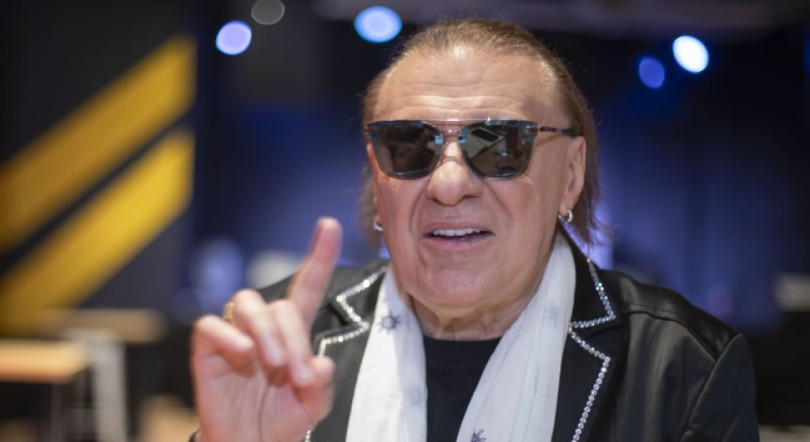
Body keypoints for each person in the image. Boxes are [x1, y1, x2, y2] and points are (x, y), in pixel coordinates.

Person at [190, 18, 759, 442]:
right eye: (409, 145)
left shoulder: (679, 365)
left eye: (500, 145)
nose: (448, 184)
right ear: (377, 179)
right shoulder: (280, 341)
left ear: (571, 176)